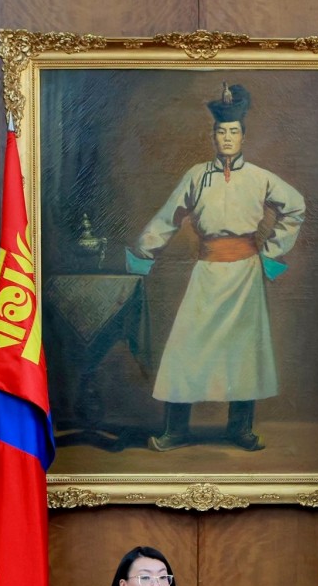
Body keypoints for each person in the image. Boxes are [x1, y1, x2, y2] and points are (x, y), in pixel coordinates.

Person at [127, 82, 306, 453]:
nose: (227, 138)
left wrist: (272, 253)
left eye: (233, 132)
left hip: (245, 275)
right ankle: (176, 430)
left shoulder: (259, 177)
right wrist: (144, 252)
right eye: (221, 132)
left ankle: (240, 430)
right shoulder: (196, 176)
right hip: (207, 273)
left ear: (243, 136)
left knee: (244, 352)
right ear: (213, 137)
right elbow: (170, 216)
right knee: (186, 348)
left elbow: (295, 206)